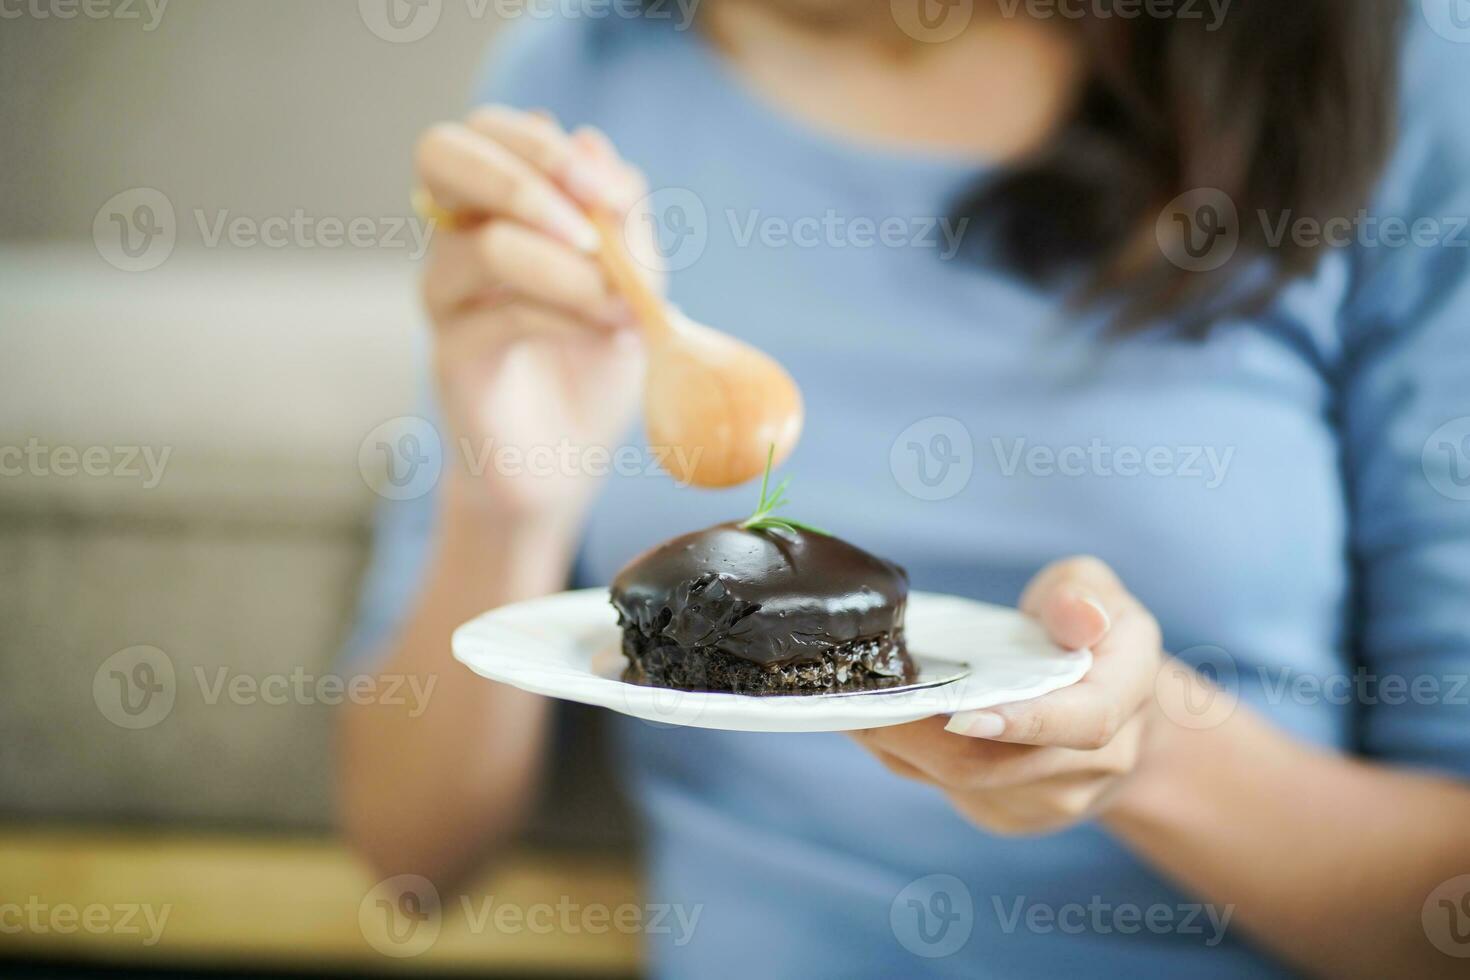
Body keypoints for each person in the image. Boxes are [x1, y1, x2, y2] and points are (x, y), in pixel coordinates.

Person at [337, 2, 1470, 976]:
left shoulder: (1387, 65)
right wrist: (512, 503)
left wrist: (1153, 752)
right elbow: (411, 856)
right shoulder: (587, 88)